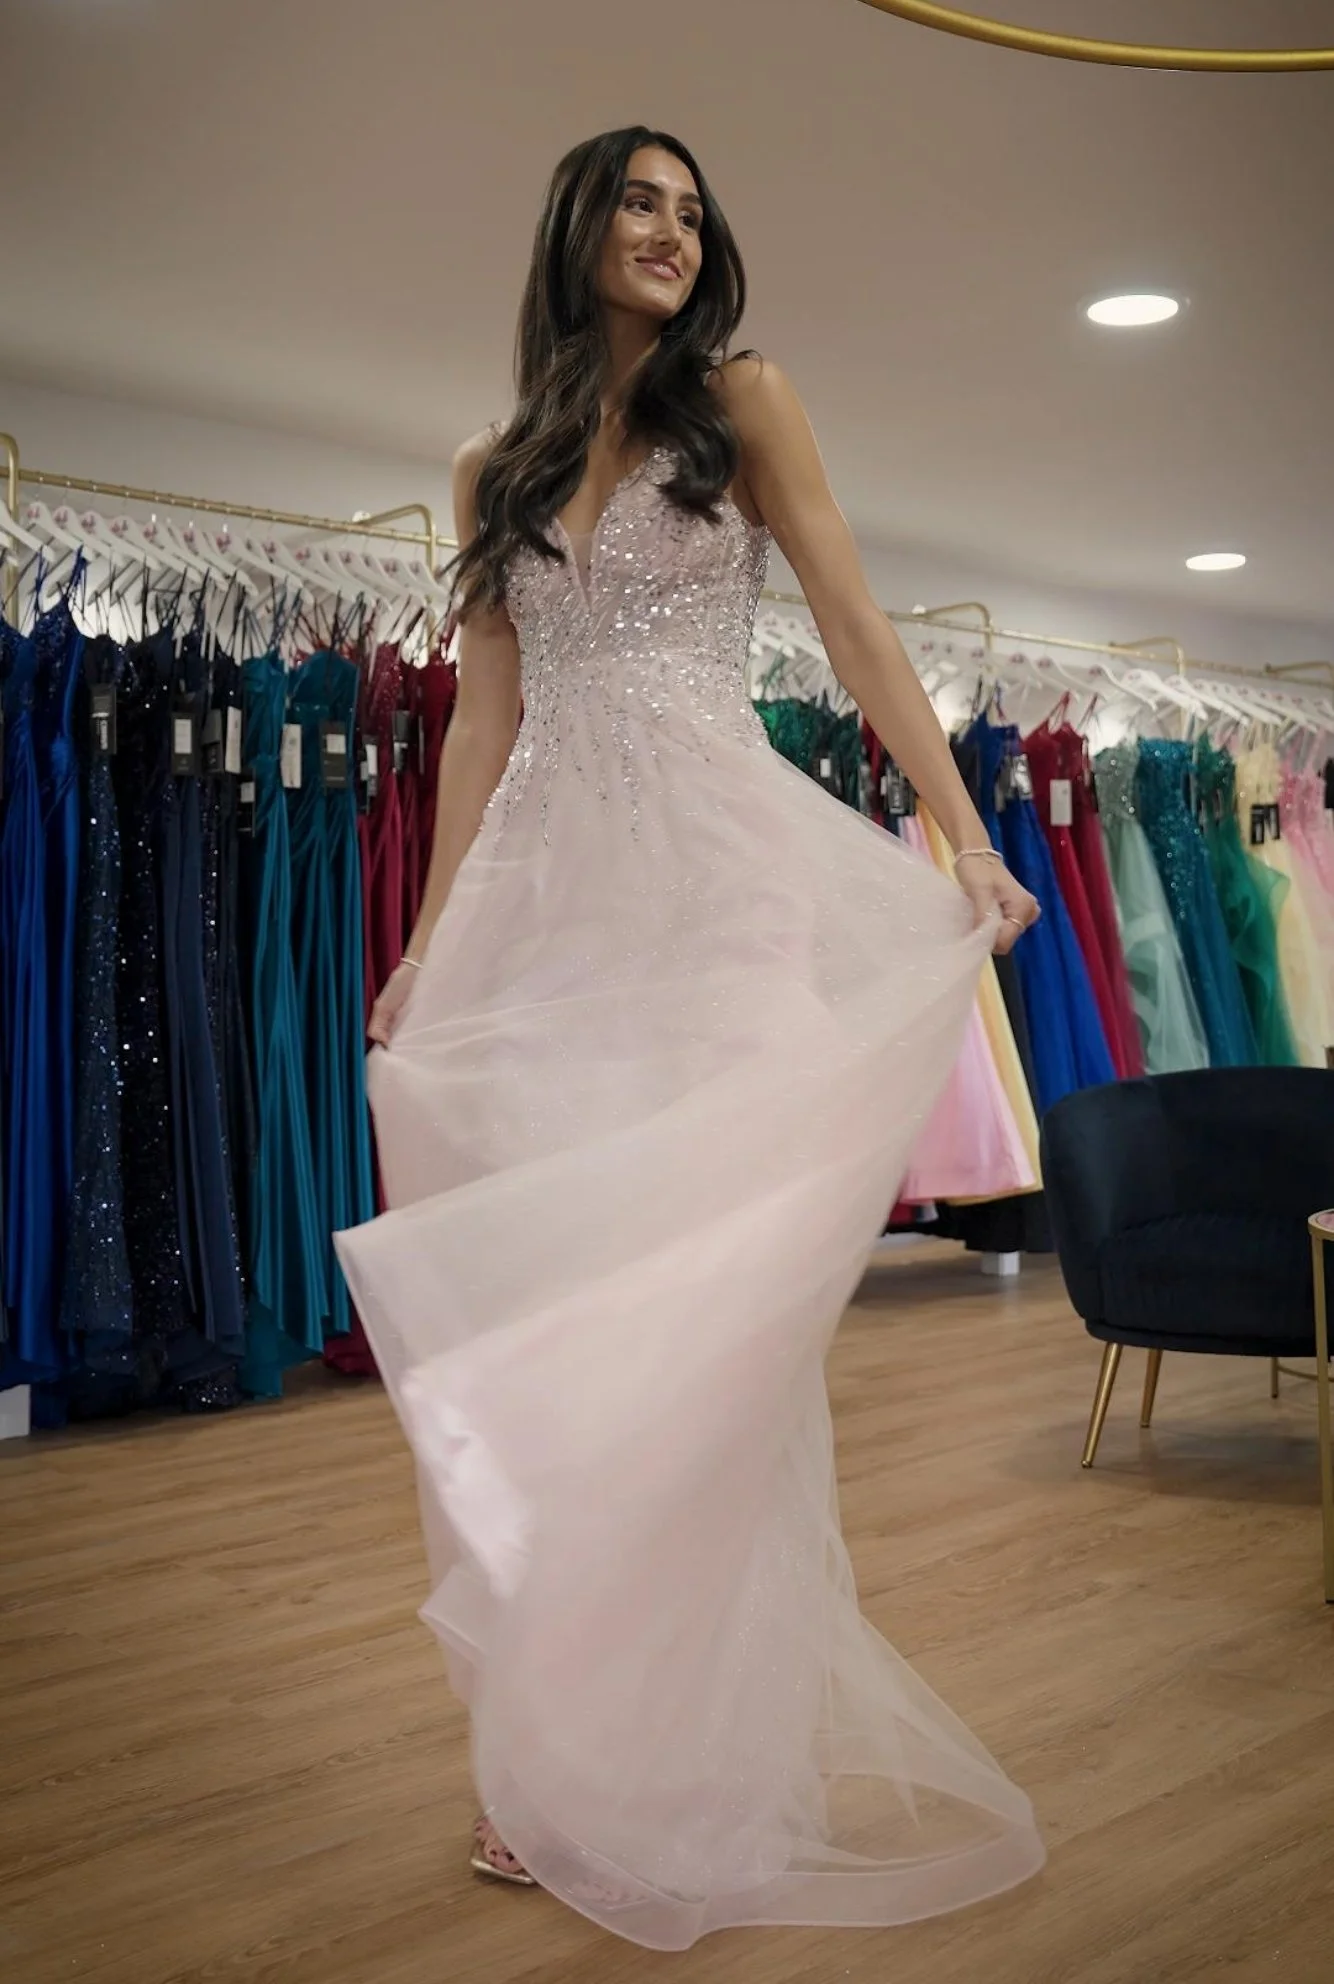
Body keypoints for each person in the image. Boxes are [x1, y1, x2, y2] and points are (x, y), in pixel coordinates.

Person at [336, 126, 1044, 1951]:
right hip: (555, 920)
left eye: (688, 206)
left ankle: (701, 1772)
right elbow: (479, 731)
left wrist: (961, 835)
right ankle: (566, 1757)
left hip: (720, 897)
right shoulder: (492, 465)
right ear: (575, 228)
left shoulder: (747, 405)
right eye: (635, 201)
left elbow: (855, 624)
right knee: (566, 1341)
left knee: (708, 1348)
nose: (670, 229)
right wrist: (427, 947)